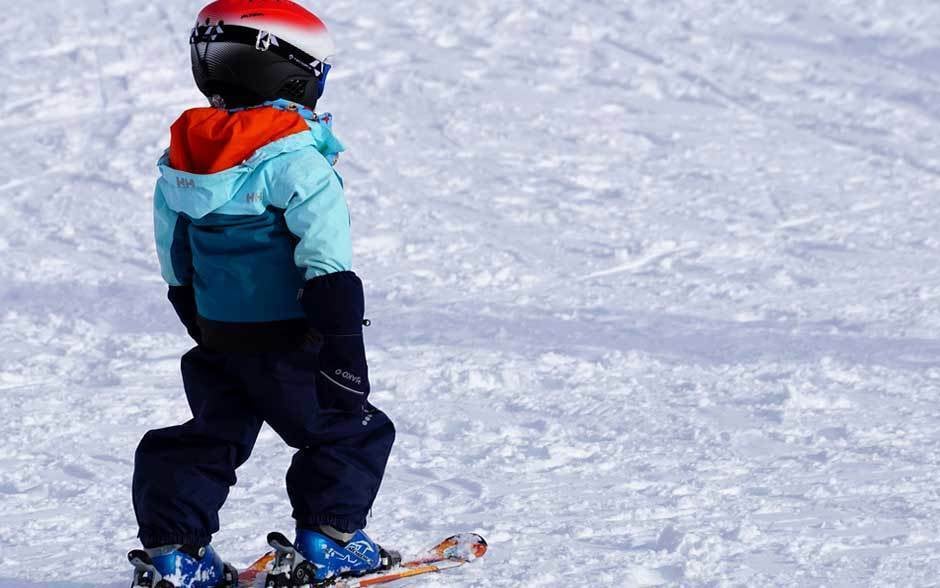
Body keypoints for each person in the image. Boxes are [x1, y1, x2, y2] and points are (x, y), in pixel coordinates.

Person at [126, 2, 397, 586]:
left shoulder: (182, 157)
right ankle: (331, 539)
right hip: (291, 337)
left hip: (220, 336)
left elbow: (172, 250)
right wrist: (342, 345)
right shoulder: (296, 162)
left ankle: (177, 551)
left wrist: (196, 313)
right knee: (353, 431)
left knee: (209, 436)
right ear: (295, 74)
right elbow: (326, 261)